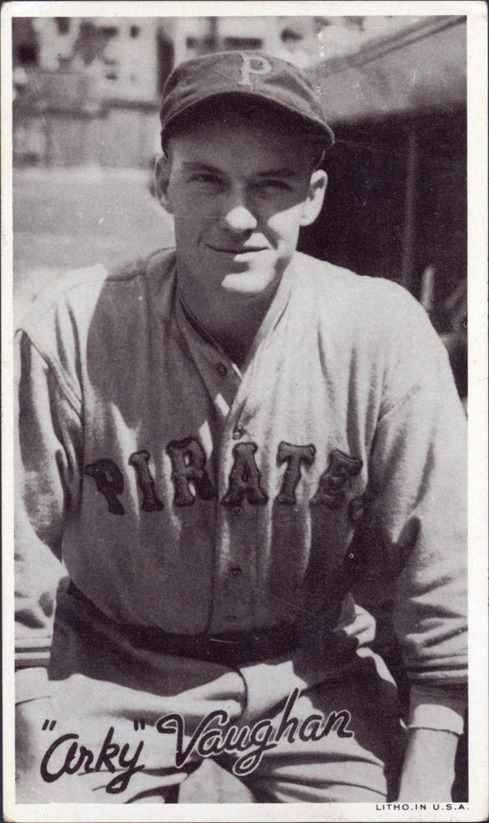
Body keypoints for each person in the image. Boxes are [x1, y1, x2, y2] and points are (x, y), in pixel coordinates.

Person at [14, 50, 467, 804]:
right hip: (112, 675)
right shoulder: (72, 325)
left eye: (271, 184)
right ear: (161, 181)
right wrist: (28, 710)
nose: (236, 216)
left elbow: (443, 565)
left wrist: (432, 764)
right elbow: (13, 554)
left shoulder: (382, 332)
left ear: (313, 197)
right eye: (206, 179)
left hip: (313, 678)